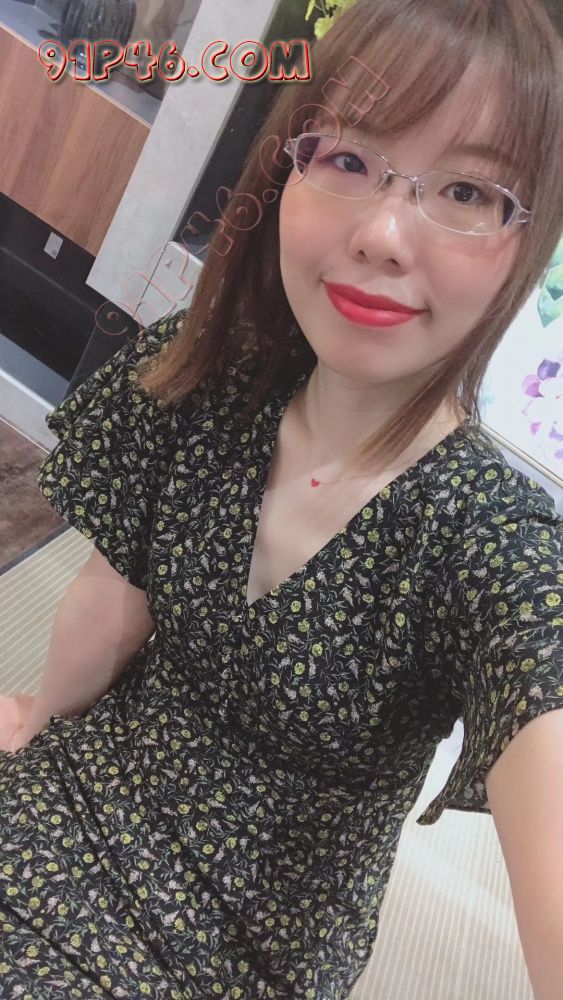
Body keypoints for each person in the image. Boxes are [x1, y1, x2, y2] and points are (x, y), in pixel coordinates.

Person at [1, 0, 562, 996]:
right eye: (347, 158)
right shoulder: (206, 378)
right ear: (285, 167)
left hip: (235, 949)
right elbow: (111, 592)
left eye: (466, 190)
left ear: (529, 240)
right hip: (81, 796)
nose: (381, 234)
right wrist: (37, 716)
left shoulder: (491, 542)